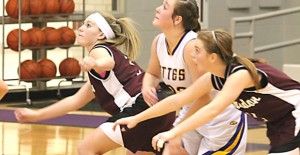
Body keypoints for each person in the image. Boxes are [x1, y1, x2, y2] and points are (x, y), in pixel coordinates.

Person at [114, 29, 300, 155]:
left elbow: (212, 109)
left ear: (212, 57)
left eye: (197, 51)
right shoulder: (214, 77)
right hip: (278, 122)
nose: (192, 56)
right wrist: (137, 118)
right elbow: (179, 99)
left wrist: (173, 132)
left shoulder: (240, 74)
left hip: (295, 113)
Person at [14, 12, 176, 155]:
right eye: (83, 24)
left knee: (86, 148)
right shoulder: (103, 70)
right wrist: (36, 115)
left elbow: (107, 62)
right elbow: (74, 101)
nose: (82, 28)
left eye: (89, 25)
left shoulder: (99, 49)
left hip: (141, 107)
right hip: (161, 106)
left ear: (101, 35)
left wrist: (96, 64)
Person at [141, 0, 247, 154]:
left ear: (177, 19)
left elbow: (204, 97)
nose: (157, 9)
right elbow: (152, 73)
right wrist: (147, 85)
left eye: (164, 6)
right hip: (191, 109)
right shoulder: (159, 41)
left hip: (219, 117)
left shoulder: (191, 46)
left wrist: (178, 129)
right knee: (170, 149)